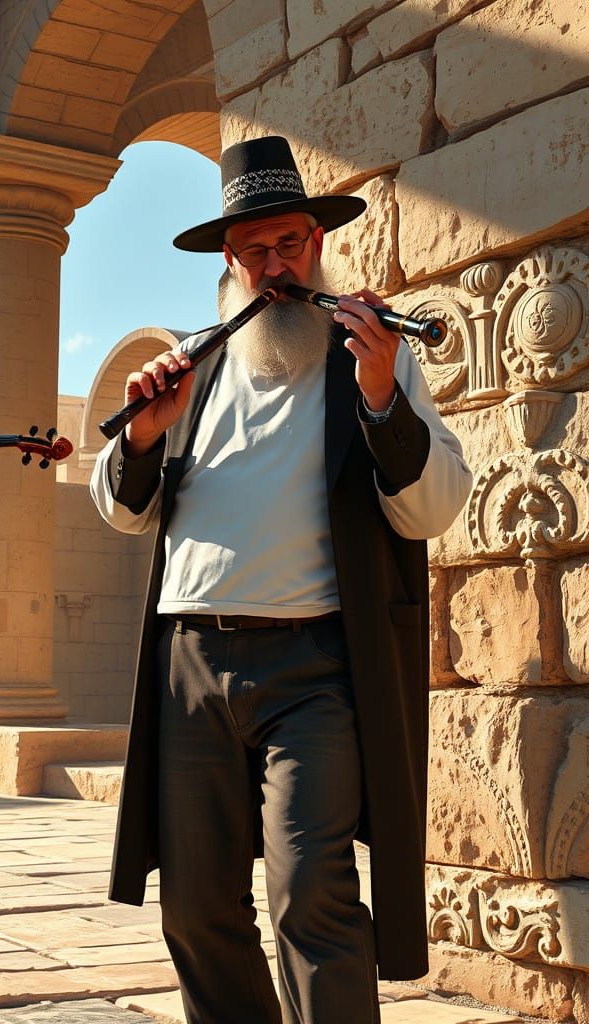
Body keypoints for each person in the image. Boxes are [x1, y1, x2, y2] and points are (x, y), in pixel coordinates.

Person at [90, 136, 473, 1023]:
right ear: (230, 260)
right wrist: (143, 435)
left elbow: (432, 507)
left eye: (290, 245)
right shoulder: (191, 361)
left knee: (311, 896)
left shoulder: (371, 352)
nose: (274, 267)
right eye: (255, 251)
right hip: (190, 663)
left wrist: (382, 395)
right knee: (192, 906)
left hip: (314, 669)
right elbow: (123, 510)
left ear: (317, 246)